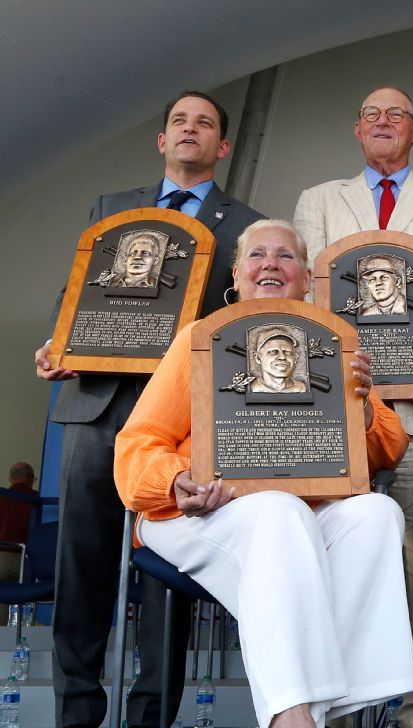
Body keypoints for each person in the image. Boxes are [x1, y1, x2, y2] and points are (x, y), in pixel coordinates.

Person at [115, 219, 413, 728]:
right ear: (237, 273)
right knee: (281, 509)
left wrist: (364, 414)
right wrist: (174, 480)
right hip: (198, 509)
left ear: (305, 278)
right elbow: (137, 444)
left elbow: (387, 451)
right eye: (258, 255)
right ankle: (293, 716)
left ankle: (326, 708)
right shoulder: (200, 338)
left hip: (294, 516)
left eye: (285, 256)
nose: (271, 265)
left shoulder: (330, 341)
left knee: (376, 512)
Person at [33, 90, 265, 728]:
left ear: (223, 147)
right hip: (94, 408)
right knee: (80, 571)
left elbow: (238, 319)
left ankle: (151, 718)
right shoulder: (111, 210)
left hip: (179, 422)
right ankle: (75, 715)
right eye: (178, 122)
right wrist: (59, 342)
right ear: (162, 141)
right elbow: (76, 295)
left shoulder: (247, 225)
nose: (190, 130)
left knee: (167, 575)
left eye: (205, 124)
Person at [293, 84, 413, 728]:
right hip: (337, 421)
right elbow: (301, 300)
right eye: (371, 115)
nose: (383, 122)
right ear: (357, 130)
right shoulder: (319, 200)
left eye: (395, 114)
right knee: (333, 573)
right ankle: (339, 716)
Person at [0, 463, 40, 605]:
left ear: (11, 479)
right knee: (28, 601)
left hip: (2, 557)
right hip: (28, 560)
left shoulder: (2, 497)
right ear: (29, 478)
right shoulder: (36, 499)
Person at [248, 329, 308, 394]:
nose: (282, 357)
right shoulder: (252, 388)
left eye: (287, 352)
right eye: (273, 352)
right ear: (258, 358)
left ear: (295, 358)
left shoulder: (303, 388)